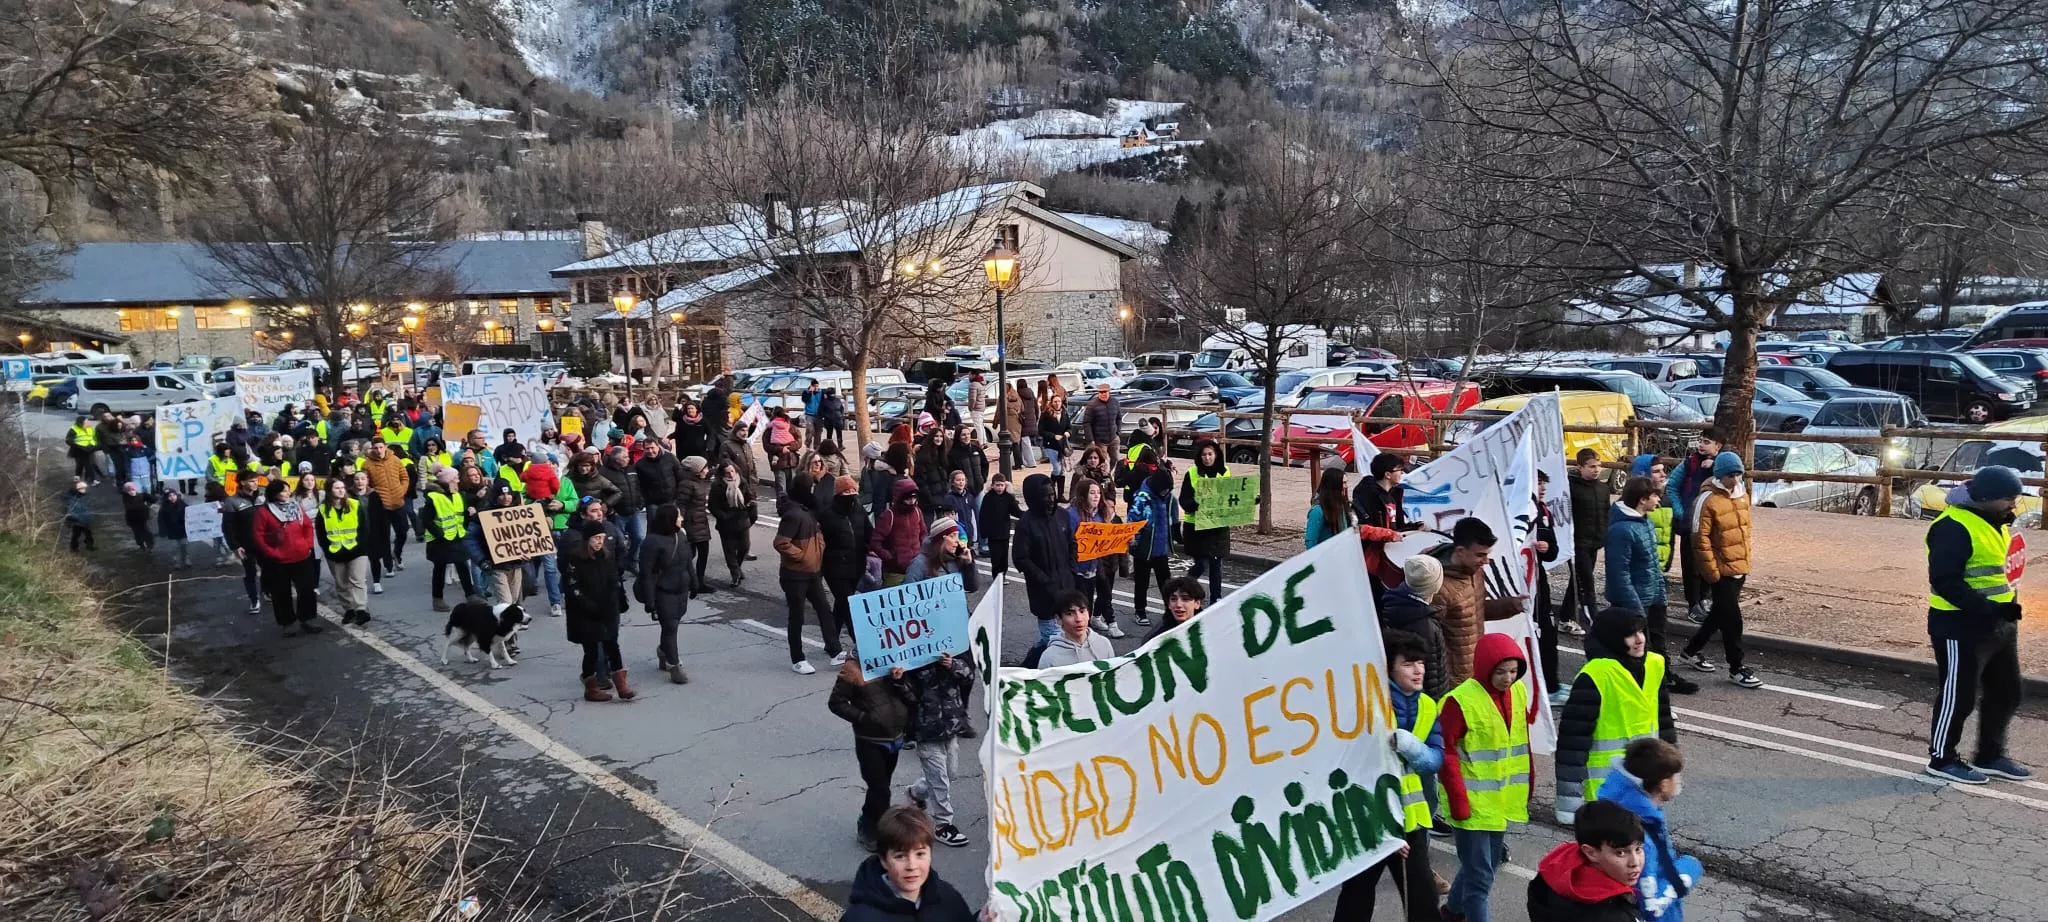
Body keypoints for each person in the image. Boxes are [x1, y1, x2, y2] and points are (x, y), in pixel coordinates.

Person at [1923, 464, 2032, 784]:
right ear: (1985, 498)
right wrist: (1988, 610)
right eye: (2008, 499)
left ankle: (1989, 755)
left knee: (2008, 692)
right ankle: (1941, 758)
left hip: (1998, 625)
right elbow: (1945, 581)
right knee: (1959, 696)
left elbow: (1997, 571)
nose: (2014, 504)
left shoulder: (1995, 520)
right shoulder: (1952, 526)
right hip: (1959, 626)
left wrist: (2006, 609)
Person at [1332, 629, 1444, 922]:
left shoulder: (1428, 705)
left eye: (1420, 662)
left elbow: (1435, 760)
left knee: (1423, 899)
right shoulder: (1369, 706)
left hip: (1411, 820)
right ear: (1389, 667)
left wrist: (1412, 748)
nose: (1418, 670)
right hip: (1371, 819)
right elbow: (1356, 766)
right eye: (1408, 663)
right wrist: (1386, 825)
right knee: (1357, 894)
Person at [1439, 633, 1531, 922]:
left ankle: (1452, 912)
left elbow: (1520, 739)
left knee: (1483, 865)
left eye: (1514, 671)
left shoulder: (1517, 692)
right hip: (1470, 803)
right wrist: (1457, 801)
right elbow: (1446, 752)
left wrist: (1529, 780)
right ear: (1484, 667)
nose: (1508, 678)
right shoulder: (1459, 701)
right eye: (1501, 671)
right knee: (1480, 879)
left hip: (1498, 800)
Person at [1554, 607, 1675, 824]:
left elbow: (1664, 721)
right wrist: (1569, 801)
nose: (1639, 640)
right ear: (1612, 638)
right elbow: (1572, 744)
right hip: (1606, 791)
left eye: (1641, 631)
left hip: (1646, 783)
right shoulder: (1595, 675)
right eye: (1630, 634)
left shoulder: (1655, 664)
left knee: (1641, 851)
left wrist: (1670, 771)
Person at [1604, 474, 1693, 703]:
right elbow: (1619, 573)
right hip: (1635, 602)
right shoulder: (1622, 530)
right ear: (1642, 499)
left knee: (1657, 644)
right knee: (1637, 652)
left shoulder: (1644, 521)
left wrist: (1660, 596)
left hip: (1652, 597)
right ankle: (1639, 693)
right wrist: (1635, 608)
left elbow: (1653, 564)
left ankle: (1662, 682)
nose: (1659, 500)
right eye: (1655, 496)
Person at [1678, 451, 1761, 689]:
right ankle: (1736, 667)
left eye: (1738, 474)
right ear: (1719, 475)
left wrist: (1744, 562)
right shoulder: (1707, 500)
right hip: (1721, 571)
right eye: (1731, 475)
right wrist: (1712, 573)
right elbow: (1699, 539)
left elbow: (1744, 531)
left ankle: (1690, 651)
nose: (1735, 480)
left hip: (1738, 567)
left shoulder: (1742, 496)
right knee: (1733, 620)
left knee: (1718, 615)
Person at [1596, 738, 1703, 922]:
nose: (1678, 782)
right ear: (1662, 784)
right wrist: (1689, 868)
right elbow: (1651, 906)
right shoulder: (1641, 839)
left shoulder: (1618, 807)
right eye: (1675, 777)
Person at [1429, 518, 1527, 687]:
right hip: (1452, 683)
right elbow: (1429, 643)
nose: (1486, 561)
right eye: (1480, 555)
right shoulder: (1437, 586)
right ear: (1460, 551)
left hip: (1476, 674)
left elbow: (1474, 610)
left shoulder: (1475, 571)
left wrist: (1512, 605)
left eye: (1487, 554)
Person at [829, 657, 914, 852]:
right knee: (880, 790)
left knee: (880, 789)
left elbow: (912, 697)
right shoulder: (852, 669)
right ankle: (882, 835)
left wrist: (899, 681)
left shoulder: (897, 661)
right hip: (869, 740)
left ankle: (866, 821)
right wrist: (864, 718)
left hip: (895, 737)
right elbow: (836, 703)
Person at [1526, 800, 1646, 922]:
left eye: (1638, 849)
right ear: (1590, 852)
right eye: (1620, 853)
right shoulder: (1614, 915)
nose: (1635, 862)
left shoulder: (1551, 874)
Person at [775, 472, 844, 674]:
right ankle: (798, 658)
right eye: (811, 487)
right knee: (797, 616)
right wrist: (804, 556)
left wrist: (818, 551)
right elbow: (780, 542)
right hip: (794, 575)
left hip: (812, 572)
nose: (814, 490)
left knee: (824, 609)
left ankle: (835, 650)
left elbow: (817, 535)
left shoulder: (807, 511)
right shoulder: (794, 515)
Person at [564, 526, 633, 702]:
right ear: (587, 540)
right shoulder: (575, 560)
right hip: (585, 613)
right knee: (592, 651)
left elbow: (614, 580)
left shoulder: (606, 557)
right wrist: (590, 606)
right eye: (596, 538)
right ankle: (591, 687)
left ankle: (622, 686)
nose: (599, 542)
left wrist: (618, 599)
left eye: (601, 538)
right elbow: (572, 588)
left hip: (607, 609)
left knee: (612, 645)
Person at [251, 480, 323, 636]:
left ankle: (308, 619)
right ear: (275, 494)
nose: (287, 494)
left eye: (288, 491)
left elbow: (307, 526)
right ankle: (287, 623)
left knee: (307, 590)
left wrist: (308, 544)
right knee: (281, 593)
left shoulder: (296, 507)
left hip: (302, 556)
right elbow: (259, 536)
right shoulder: (264, 512)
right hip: (279, 561)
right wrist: (272, 553)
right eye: (284, 491)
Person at [1013, 473, 1077, 649]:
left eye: (1052, 494)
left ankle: (1034, 663)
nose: (1050, 499)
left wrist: (1072, 567)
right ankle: (1035, 667)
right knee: (1055, 642)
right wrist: (1043, 579)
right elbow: (1020, 558)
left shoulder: (1062, 515)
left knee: (1061, 638)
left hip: (1066, 585)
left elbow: (1072, 543)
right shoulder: (1026, 524)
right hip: (1044, 592)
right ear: (1034, 498)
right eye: (1045, 496)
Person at [636, 504, 694, 685]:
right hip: (663, 591)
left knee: (673, 625)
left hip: (681, 589)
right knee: (670, 626)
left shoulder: (681, 536)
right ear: (669, 519)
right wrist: (650, 601)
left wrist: (695, 581)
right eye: (678, 516)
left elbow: (688, 561)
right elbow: (646, 573)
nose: (682, 519)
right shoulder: (652, 542)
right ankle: (674, 665)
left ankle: (663, 651)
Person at [1380, 555, 1450, 697]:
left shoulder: (1392, 603)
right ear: (1435, 586)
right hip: (1426, 702)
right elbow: (1431, 673)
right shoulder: (1424, 625)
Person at [1673, 429, 1723, 623]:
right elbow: (1673, 486)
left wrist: (1715, 465)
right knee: (1691, 565)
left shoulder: (1723, 464)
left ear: (1717, 446)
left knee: (1709, 563)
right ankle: (1693, 604)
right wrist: (1680, 511)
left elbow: (1735, 481)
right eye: (1700, 441)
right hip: (1690, 523)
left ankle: (1705, 598)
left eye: (1706, 441)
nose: (1701, 445)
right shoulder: (1689, 463)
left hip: (1712, 523)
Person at [819, 475, 872, 653]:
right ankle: (860, 643)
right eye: (847, 491)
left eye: (853, 491)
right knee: (849, 603)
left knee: (842, 604)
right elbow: (821, 543)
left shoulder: (858, 510)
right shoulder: (828, 515)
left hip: (856, 564)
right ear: (839, 493)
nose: (852, 495)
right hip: (835, 568)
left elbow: (868, 533)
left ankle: (830, 640)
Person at [1178, 439, 1235, 601]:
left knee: (1216, 566)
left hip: (1217, 527)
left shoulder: (1225, 471)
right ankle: (1185, 589)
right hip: (1197, 527)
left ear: (1216, 455)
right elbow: (1184, 499)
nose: (1207, 458)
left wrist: (1250, 500)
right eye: (1204, 454)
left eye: (1210, 454)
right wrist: (1196, 505)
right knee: (1201, 565)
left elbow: (1232, 495)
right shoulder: (1192, 473)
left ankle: (1215, 599)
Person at [1067, 479, 1125, 638]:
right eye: (1092, 493)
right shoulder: (1072, 515)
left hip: (1096, 563)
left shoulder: (1101, 515)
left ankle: (1106, 623)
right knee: (1083, 602)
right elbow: (1067, 540)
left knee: (1104, 592)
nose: (1096, 496)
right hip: (1078, 567)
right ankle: (1079, 634)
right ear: (1083, 495)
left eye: (1099, 492)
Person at [316, 478, 373, 626]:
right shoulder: (323, 510)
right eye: (337, 488)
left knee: (358, 580)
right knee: (342, 583)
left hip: (356, 549)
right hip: (335, 552)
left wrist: (361, 547)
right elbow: (321, 533)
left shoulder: (354, 505)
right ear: (329, 491)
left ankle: (361, 609)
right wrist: (328, 551)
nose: (341, 490)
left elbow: (364, 528)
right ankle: (349, 610)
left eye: (342, 488)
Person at [1565, 449, 1611, 635]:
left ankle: (1565, 617)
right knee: (1587, 583)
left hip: (1595, 541)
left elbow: (1606, 513)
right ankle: (1594, 621)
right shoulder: (1571, 488)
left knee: (1577, 580)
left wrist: (1604, 536)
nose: (1596, 470)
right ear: (1580, 467)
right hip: (1578, 542)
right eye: (1591, 466)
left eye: (1598, 466)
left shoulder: (1603, 489)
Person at [1126, 463, 1178, 627]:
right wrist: (1133, 540)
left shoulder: (1169, 498)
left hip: (1161, 548)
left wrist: (1176, 535)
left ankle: (1169, 611)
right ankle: (1140, 611)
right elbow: (1132, 520)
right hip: (1144, 548)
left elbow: (1174, 517)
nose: (1165, 493)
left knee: (1166, 582)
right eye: (1163, 490)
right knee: (1142, 582)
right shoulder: (1142, 497)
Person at [418, 467, 476, 611]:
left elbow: (459, 516)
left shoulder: (457, 495)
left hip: (457, 536)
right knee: (440, 568)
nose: (458, 480)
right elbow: (426, 520)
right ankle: (437, 599)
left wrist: (469, 513)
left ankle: (471, 596)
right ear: (448, 481)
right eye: (455, 478)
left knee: (462, 566)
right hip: (440, 540)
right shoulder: (434, 498)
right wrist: (441, 534)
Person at [709, 460, 757, 589]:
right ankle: (735, 574)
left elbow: (750, 497)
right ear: (722, 474)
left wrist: (751, 506)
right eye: (727, 473)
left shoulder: (742, 482)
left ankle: (738, 567)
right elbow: (712, 506)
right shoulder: (717, 486)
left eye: (732, 471)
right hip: (726, 523)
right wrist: (723, 516)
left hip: (742, 519)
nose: (730, 475)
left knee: (744, 547)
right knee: (729, 550)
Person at [869, 480, 926, 587]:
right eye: (908, 498)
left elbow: (923, 534)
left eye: (914, 498)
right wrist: (890, 557)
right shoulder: (888, 516)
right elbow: (875, 542)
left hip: (916, 566)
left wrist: (922, 554)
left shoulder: (918, 512)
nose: (912, 501)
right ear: (900, 498)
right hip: (895, 571)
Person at [1038, 589, 1116, 667]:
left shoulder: (1104, 644)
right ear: (1059, 619)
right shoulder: (1050, 657)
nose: (1078, 619)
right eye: (1070, 614)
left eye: (1082, 611)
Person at [901, 516, 981, 591]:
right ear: (941, 539)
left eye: (957, 536)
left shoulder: (957, 557)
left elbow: (972, 587)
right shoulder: (919, 563)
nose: (957, 540)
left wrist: (969, 563)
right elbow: (907, 593)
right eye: (952, 536)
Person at [677, 456, 713, 595]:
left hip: (700, 521)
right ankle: (687, 580)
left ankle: (698, 582)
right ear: (697, 470)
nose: (707, 470)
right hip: (692, 523)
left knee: (702, 554)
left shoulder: (699, 480)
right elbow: (682, 505)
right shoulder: (687, 484)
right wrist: (681, 524)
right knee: (690, 554)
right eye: (705, 468)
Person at [224, 477, 261, 612]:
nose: (255, 483)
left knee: (269, 570)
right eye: (251, 481)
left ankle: (267, 591)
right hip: (246, 544)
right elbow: (227, 527)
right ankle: (254, 600)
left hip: (264, 542)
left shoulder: (261, 497)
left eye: (256, 480)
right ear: (243, 483)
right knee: (250, 572)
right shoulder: (232, 501)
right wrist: (234, 546)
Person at [1140, 576, 1207, 642]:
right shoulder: (1155, 639)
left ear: (1197, 603)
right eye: (1173, 599)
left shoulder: (1209, 628)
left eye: (1185, 599)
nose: (1178, 605)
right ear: (1168, 604)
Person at [978, 473, 1019, 576]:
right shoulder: (988, 498)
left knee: (1004, 556)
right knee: (996, 557)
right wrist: (983, 531)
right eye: (997, 485)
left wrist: (1026, 515)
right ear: (992, 485)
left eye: (1002, 485)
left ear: (1005, 486)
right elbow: (983, 515)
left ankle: (1003, 574)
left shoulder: (1008, 498)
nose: (1000, 488)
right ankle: (996, 575)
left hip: (1004, 532)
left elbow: (1015, 511)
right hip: (993, 533)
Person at [1306, 465, 1354, 548]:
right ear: (1334, 485)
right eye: (1343, 483)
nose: (1346, 486)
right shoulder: (1317, 511)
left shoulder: (1343, 506)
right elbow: (1311, 541)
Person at [933, 470, 979, 551]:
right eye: (958, 480)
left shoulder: (970, 497)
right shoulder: (949, 498)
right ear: (952, 482)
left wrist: (975, 534)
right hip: (957, 534)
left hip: (969, 532)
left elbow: (974, 517)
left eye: (963, 480)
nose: (961, 482)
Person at [1079, 383, 1122, 458]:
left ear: (1109, 392)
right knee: (1103, 461)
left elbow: (1119, 418)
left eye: (1105, 392)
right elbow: (1086, 423)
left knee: (1115, 459)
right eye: (1101, 392)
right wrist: (1090, 439)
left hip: (1113, 437)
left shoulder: (1115, 402)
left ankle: (1111, 470)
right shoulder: (1092, 405)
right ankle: (1106, 470)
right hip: (1099, 440)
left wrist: (1118, 432)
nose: (1103, 394)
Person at [157, 486, 191, 568]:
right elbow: (161, 521)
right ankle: (177, 561)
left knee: (184, 545)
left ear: (176, 495)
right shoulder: (164, 509)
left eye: (173, 495)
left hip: (183, 530)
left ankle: (186, 559)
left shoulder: (183, 505)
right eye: (169, 496)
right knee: (175, 548)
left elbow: (190, 515)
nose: (172, 497)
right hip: (172, 531)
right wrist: (163, 531)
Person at [66, 414, 101, 484]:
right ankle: (78, 478)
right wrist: (79, 446)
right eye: (87, 421)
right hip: (79, 450)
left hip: (89, 449)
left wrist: (95, 446)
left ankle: (91, 479)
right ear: (82, 423)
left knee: (90, 464)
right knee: (80, 464)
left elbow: (94, 438)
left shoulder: (90, 428)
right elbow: (68, 440)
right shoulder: (74, 429)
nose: (89, 422)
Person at [121, 482, 156, 550]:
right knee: (137, 532)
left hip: (142, 518)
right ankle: (141, 545)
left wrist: (148, 501)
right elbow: (131, 507)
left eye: (132, 489)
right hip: (133, 519)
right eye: (129, 490)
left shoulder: (141, 495)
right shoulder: (126, 498)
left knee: (145, 531)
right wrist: (144, 506)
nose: (131, 492)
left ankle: (150, 544)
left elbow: (153, 499)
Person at [63, 479, 95, 552]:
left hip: (84, 519)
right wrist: (75, 518)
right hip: (77, 521)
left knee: (88, 534)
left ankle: (89, 545)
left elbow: (87, 506)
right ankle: (74, 548)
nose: (84, 490)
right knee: (76, 535)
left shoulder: (84, 497)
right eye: (82, 488)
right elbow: (70, 511)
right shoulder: (71, 499)